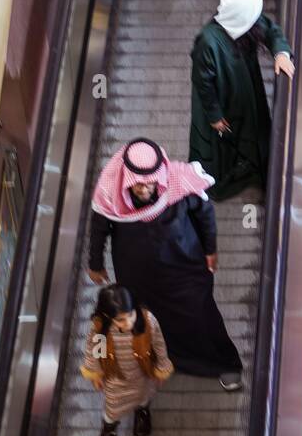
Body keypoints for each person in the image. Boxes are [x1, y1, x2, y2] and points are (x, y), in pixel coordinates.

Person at [87, 138, 243, 391]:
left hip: (185, 270)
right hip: (138, 277)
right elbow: (99, 227)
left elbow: (205, 216)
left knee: (201, 314)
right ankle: (159, 361)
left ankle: (224, 364)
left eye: (150, 181)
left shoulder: (181, 182)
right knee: (149, 320)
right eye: (136, 182)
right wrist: (95, 263)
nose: (144, 188)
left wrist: (210, 250)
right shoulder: (110, 193)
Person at [189, 0, 295, 201]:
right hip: (224, 104)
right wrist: (215, 116)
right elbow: (203, 84)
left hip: (246, 96)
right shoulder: (208, 42)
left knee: (254, 134)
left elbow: (270, 30)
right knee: (222, 146)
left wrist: (281, 53)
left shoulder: (243, 21)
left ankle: (258, 173)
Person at [81, 283, 173, 436]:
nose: (129, 322)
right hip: (116, 377)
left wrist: (162, 367)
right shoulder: (101, 329)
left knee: (144, 395)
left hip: (142, 373)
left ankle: (142, 413)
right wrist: (96, 372)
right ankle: (109, 428)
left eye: (131, 315)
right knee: (113, 406)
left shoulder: (147, 321)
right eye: (121, 319)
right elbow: (96, 351)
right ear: (108, 316)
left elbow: (159, 344)